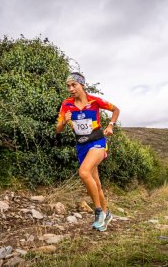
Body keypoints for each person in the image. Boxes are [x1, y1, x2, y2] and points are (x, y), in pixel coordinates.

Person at [56, 72, 120, 232]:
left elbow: (116, 109)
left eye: (74, 85)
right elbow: (58, 129)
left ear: (82, 85)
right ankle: (106, 214)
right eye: (68, 86)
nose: (70, 89)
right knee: (96, 183)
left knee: (84, 172)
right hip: (81, 146)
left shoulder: (95, 101)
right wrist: (65, 120)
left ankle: (98, 211)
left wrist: (110, 125)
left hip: (97, 142)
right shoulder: (66, 105)